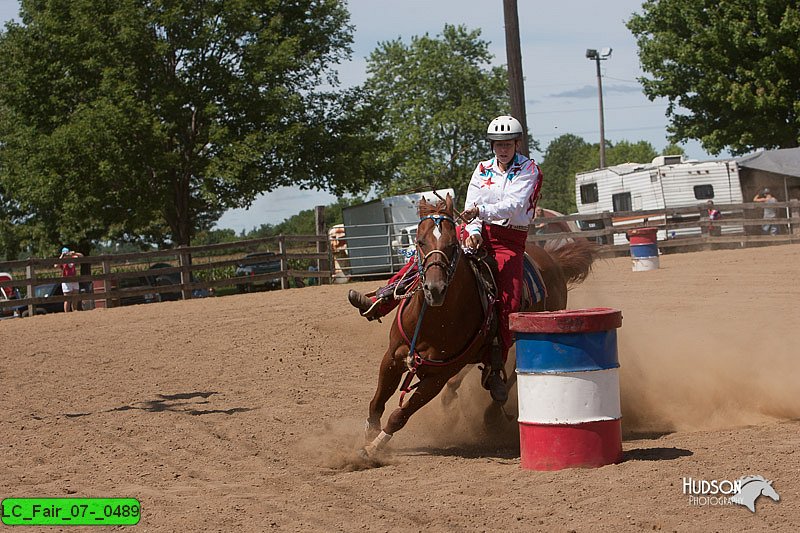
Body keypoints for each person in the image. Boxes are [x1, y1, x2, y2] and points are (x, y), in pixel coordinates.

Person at [347, 115, 543, 403]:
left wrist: (480, 214)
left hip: (509, 240)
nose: (502, 149)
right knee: (431, 256)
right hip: (479, 229)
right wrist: (473, 231)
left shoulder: (529, 170)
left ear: (517, 143)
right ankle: (382, 299)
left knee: (509, 301)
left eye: (508, 144)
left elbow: (515, 205)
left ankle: (495, 364)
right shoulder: (482, 169)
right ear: (492, 145)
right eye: (498, 144)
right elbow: (471, 204)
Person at [55, 247, 84, 312]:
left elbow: (81, 256)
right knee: (67, 298)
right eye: (66, 254)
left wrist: (74, 253)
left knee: (75, 297)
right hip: (66, 281)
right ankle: (67, 313)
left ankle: (75, 311)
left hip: (74, 279)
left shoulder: (73, 258)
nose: (67, 255)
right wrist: (62, 256)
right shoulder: (62, 260)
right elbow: (56, 265)